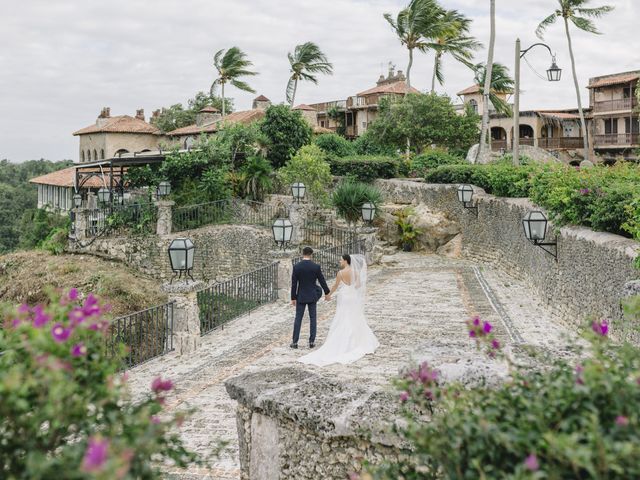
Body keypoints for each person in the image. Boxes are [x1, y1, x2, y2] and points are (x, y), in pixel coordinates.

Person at [299, 253, 379, 366]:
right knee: (354, 316)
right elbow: (358, 285)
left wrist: (328, 295)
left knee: (343, 316)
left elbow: (335, 286)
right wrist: (352, 287)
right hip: (352, 296)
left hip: (344, 296)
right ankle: (357, 340)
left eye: (341, 260)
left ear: (346, 261)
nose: (340, 262)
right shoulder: (355, 272)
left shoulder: (340, 273)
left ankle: (343, 339)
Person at [290, 246, 330, 349]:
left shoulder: (297, 267)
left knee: (298, 318)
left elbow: (294, 284)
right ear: (311, 254)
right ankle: (311, 341)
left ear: (302, 254)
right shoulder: (315, 267)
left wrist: (293, 297)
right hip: (312, 296)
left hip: (301, 296)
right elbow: (322, 280)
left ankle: (295, 342)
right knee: (313, 318)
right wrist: (327, 292)